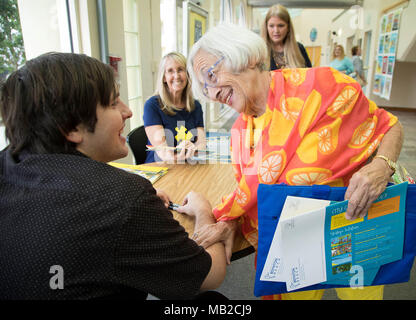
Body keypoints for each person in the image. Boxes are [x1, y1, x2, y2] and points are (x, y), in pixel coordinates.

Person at [186, 23, 403, 300]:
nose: (213, 94)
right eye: (205, 90)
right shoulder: (241, 133)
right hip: (294, 243)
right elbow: (248, 193)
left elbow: (391, 126)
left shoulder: (325, 86)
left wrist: (381, 166)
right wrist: (231, 221)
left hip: (355, 224)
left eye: (211, 76)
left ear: (243, 55)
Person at [0, 52, 227, 300]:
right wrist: (204, 211)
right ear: (71, 128)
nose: (128, 111)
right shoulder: (125, 199)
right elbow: (211, 274)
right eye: (112, 103)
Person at [143, 52, 206, 163]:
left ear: (187, 75)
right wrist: (181, 155)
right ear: (164, 77)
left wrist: (193, 148)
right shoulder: (152, 105)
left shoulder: (196, 106)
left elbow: (201, 144)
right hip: (160, 167)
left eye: (180, 70)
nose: (176, 76)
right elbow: (163, 152)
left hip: (188, 165)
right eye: (170, 71)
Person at [261, 4, 312, 70]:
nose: (276, 30)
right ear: (266, 27)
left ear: (288, 27)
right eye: (271, 26)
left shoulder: (299, 48)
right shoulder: (260, 52)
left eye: (280, 25)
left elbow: (310, 76)